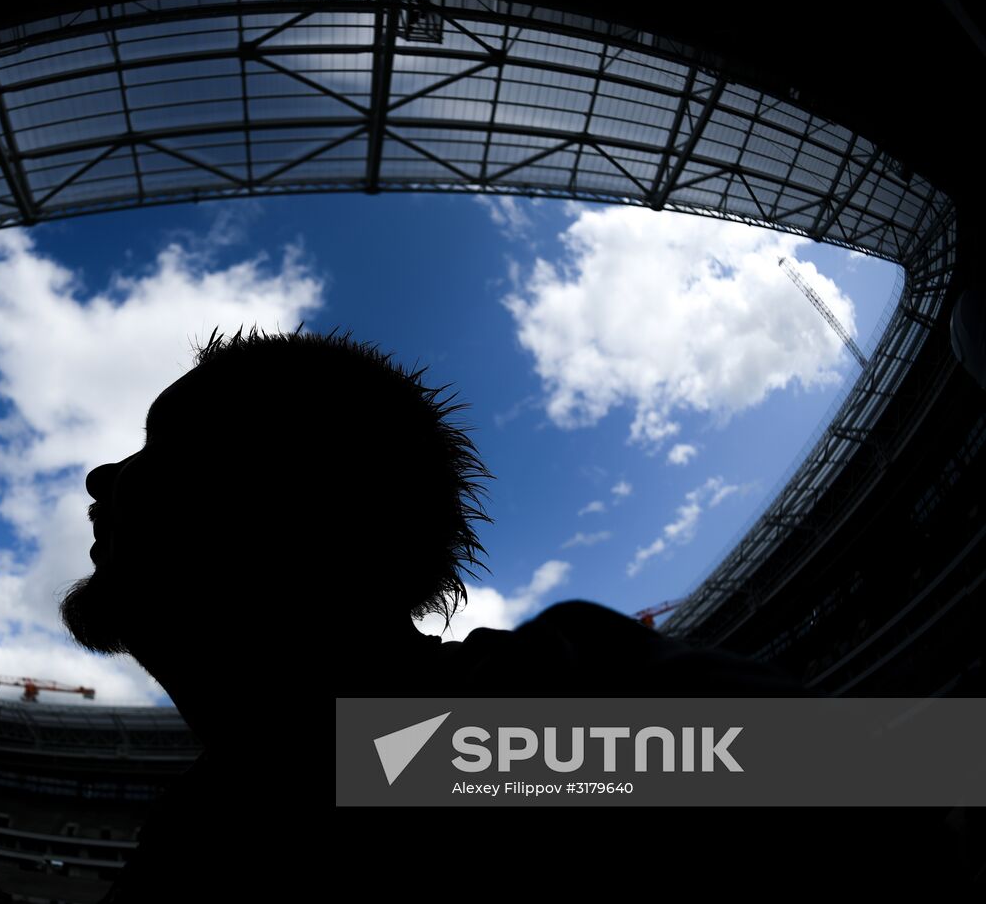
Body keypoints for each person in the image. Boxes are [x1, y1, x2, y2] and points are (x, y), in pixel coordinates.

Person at [59, 323, 828, 901]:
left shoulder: (498, 710)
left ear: (286, 510)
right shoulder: (208, 817)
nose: (102, 476)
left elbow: (846, 775)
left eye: (157, 448)